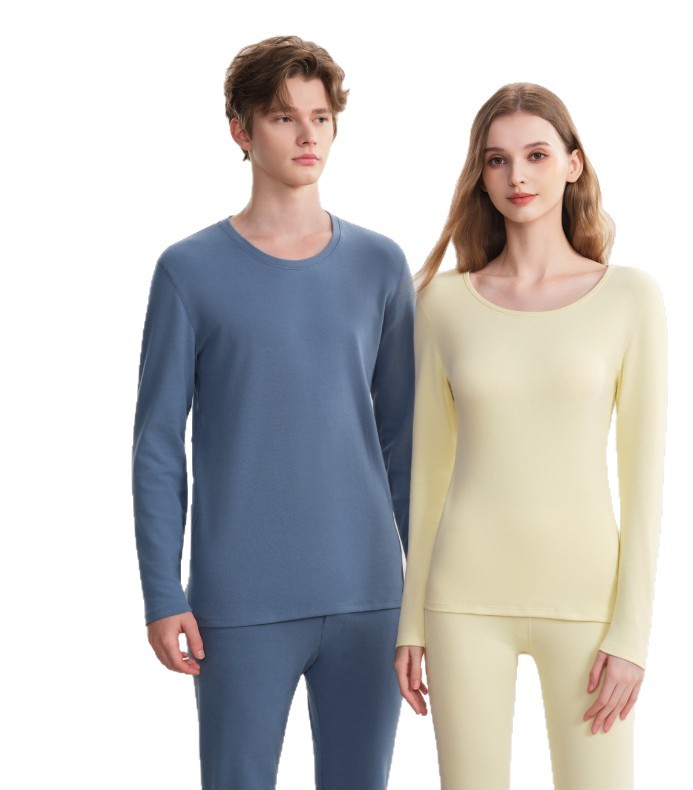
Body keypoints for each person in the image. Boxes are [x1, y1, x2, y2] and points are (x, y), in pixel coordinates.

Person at [132, 35, 414, 790]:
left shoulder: (381, 265)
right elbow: (158, 445)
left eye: (320, 117)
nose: (307, 134)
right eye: (284, 117)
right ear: (241, 129)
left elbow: (406, 441)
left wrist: (426, 593)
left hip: (370, 598)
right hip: (240, 603)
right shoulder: (188, 270)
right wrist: (162, 593)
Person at [393, 83, 667, 790]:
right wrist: (411, 621)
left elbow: (643, 479)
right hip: (462, 600)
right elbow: (428, 472)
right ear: (480, 175)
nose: (517, 175)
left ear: (574, 164)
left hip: (587, 603)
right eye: (497, 160)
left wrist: (632, 633)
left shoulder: (630, 298)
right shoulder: (443, 303)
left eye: (537, 155)